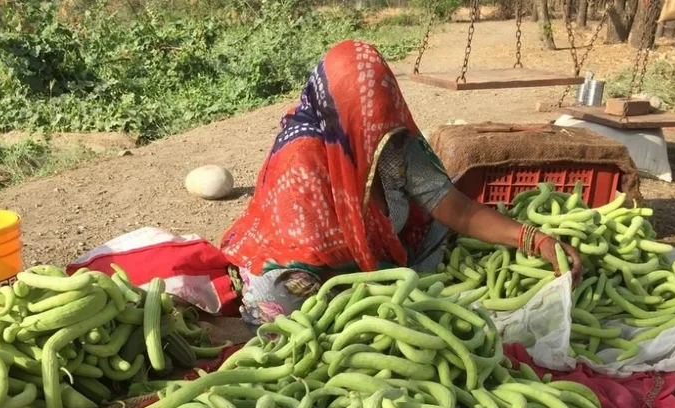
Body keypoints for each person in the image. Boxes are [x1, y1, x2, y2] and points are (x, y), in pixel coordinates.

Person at [220, 40, 582, 326]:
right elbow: (314, 260)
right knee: (283, 302)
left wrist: (535, 239)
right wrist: (387, 292)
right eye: (368, 126)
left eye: (386, 119)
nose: (382, 136)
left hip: (374, 266)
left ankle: (389, 292)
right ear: (337, 114)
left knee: (441, 223)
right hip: (310, 266)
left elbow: (458, 209)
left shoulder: (390, 144)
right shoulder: (303, 160)